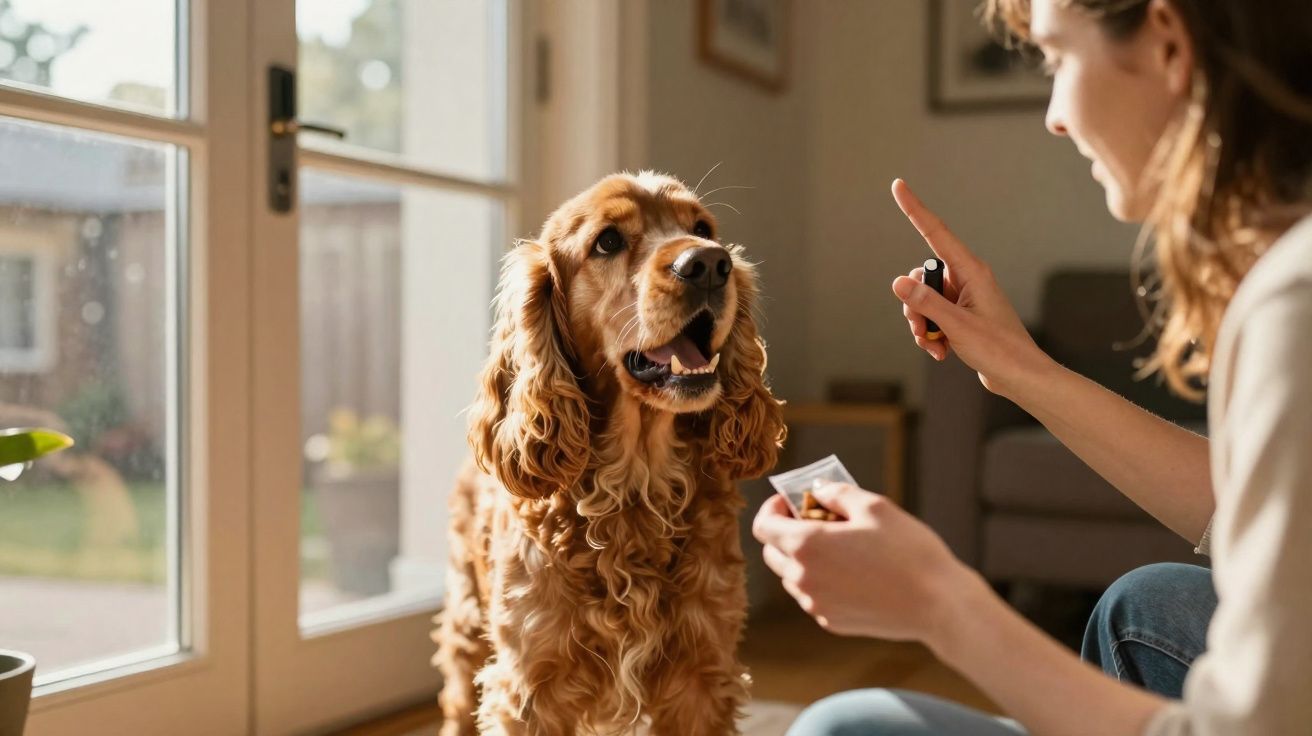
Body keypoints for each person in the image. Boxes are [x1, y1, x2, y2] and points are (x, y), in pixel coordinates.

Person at [752, 0, 1312, 733]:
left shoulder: (1294, 299)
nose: (1054, 116)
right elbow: (1246, 511)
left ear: (1169, 45)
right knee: (1144, 606)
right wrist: (1020, 369)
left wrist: (939, 602)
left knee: (847, 728)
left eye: (1057, 57)